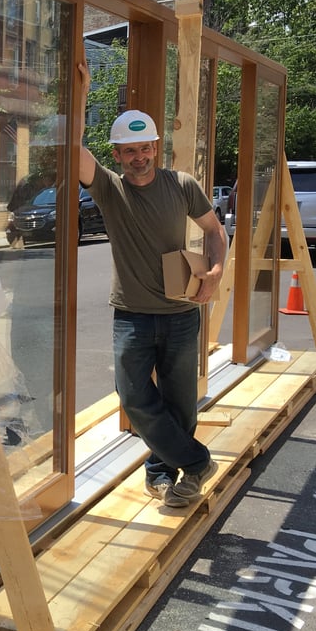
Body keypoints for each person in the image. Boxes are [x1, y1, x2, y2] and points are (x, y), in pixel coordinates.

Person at [78, 69, 228, 509]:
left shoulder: (182, 185)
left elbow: (215, 231)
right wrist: (83, 94)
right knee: (133, 397)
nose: (139, 157)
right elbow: (75, 150)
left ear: (155, 147)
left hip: (181, 313)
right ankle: (198, 463)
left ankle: (165, 472)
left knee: (180, 401)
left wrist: (216, 271)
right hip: (132, 315)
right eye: (129, 151)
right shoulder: (108, 189)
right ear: (118, 155)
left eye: (145, 148)